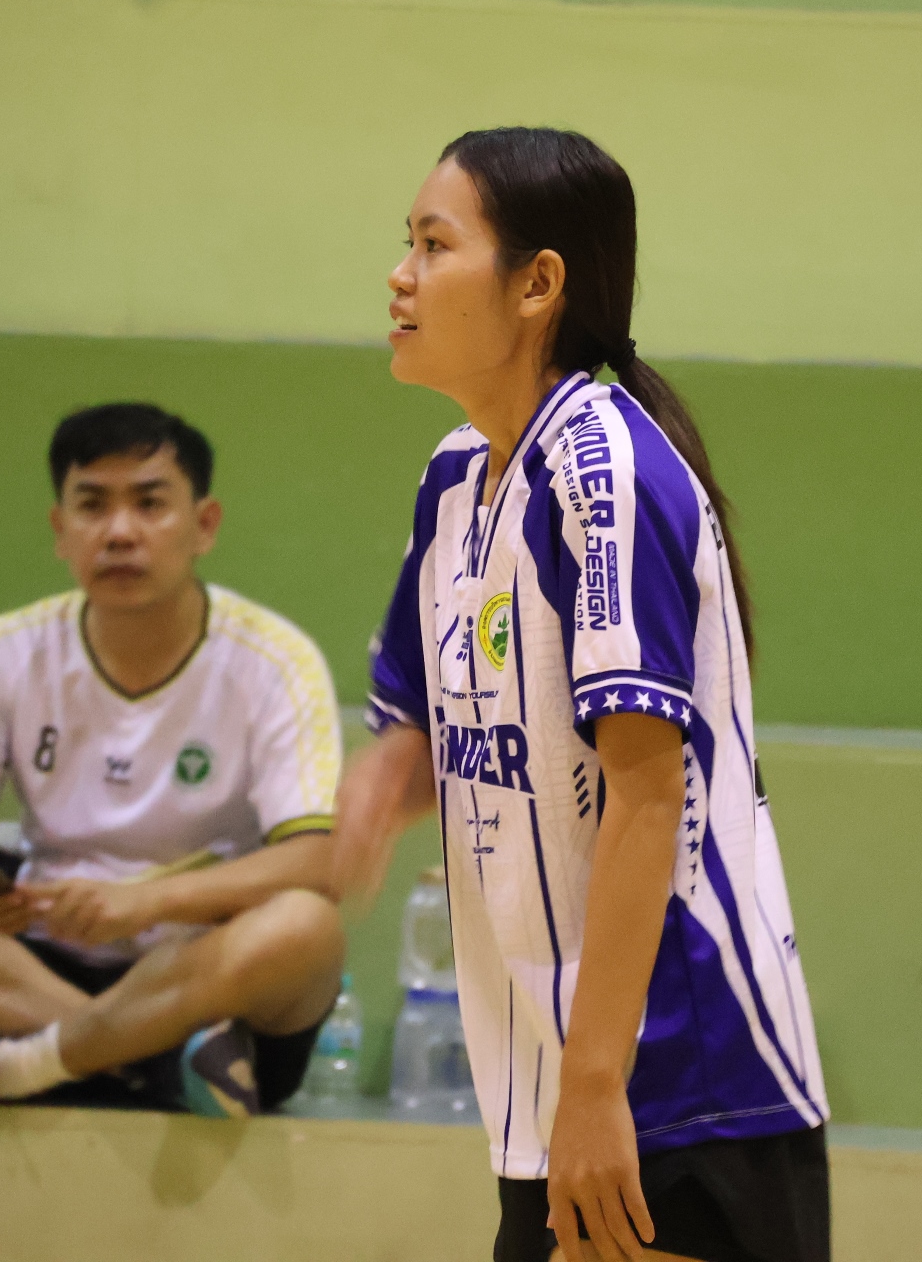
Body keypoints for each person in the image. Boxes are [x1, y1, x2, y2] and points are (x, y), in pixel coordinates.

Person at [333, 129, 830, 1262]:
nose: (400, 276)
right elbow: (422, 735)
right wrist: (363, 803)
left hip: (675, 1080)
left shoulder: (603, 473)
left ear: (537, 283)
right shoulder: (455, 480)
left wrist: (602, 1087)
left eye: (434, 245)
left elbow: (648, 793)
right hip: (544, 1086)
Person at [0, 403, 345, 1116]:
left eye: (150, 504)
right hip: (40, 966)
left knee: (307, 928)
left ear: (204, 525)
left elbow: (316, 863)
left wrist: (146, 902)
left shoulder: (275, 660)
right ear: (61, 531)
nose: (120, 532)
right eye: (92, 506)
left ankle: (23, 1064)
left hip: (197, 977)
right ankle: (147, 1063)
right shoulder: (5, 652)